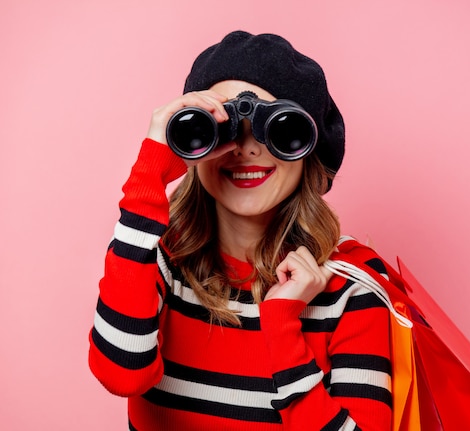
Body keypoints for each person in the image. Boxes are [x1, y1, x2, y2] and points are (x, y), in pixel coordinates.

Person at [89, 30, 394, 431]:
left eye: (276, 128)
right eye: (225, 125)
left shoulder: (351, 285)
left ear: (306, 148)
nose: (246, 148)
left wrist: (281, 324)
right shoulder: (157, 261)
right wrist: (149, 173)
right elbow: (120, 372)